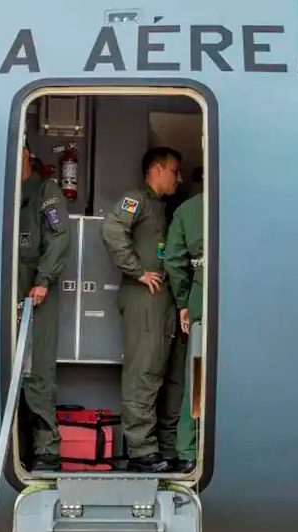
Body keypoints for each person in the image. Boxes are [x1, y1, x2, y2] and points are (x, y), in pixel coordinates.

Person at [101, 147, 185, 473]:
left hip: (162, 303)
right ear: (157, 169)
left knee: (164, 374)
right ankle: (141, 451)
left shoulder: (162, 208)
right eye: (174, 171)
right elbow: (112, 229)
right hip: (144, 300)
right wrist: (137, 271)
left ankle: (163, 447)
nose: (179, 178)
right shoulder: (136, 200)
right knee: (143, 372)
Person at [18, 145, 70, 471]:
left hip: (36, 294)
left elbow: (59, 237)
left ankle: (47, 450)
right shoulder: (2, 190)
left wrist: (44, 280)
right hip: (5, 291)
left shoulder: (45, 191)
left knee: (37, 372)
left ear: (26, 154)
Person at [164, 184, 204, 474]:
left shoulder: (188, 210)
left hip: (203, 294)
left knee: (198, 374)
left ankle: (189, 451)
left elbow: (174, 260)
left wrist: (184, 302)